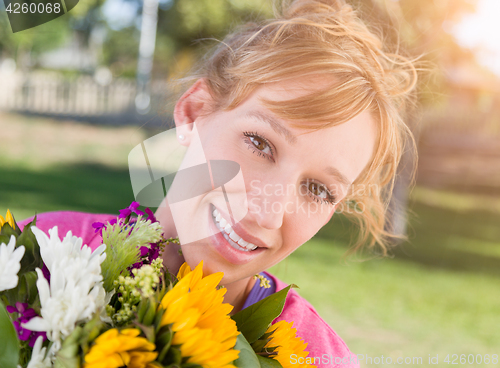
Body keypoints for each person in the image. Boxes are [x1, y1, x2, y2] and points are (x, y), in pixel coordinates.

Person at [18, 0, 418, 366]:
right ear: (194, 112)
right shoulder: (28, 262)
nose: (266, 211)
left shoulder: (316, 359)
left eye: (318, 189)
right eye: (260, 144)